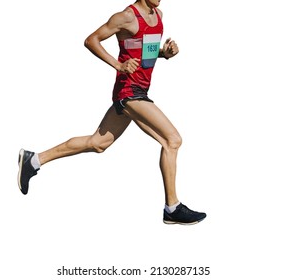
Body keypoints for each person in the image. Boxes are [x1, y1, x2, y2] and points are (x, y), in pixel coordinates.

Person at [18, 0, 206, 225]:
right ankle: (172, 207)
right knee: (172, 140)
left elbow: (145, 53)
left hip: (139, 91)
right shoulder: (126, 16)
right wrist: (119, 66)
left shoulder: (158, 15)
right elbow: (91, 40)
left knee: (97, 143)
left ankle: (34, 161)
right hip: (129, 92)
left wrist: (164, 53)